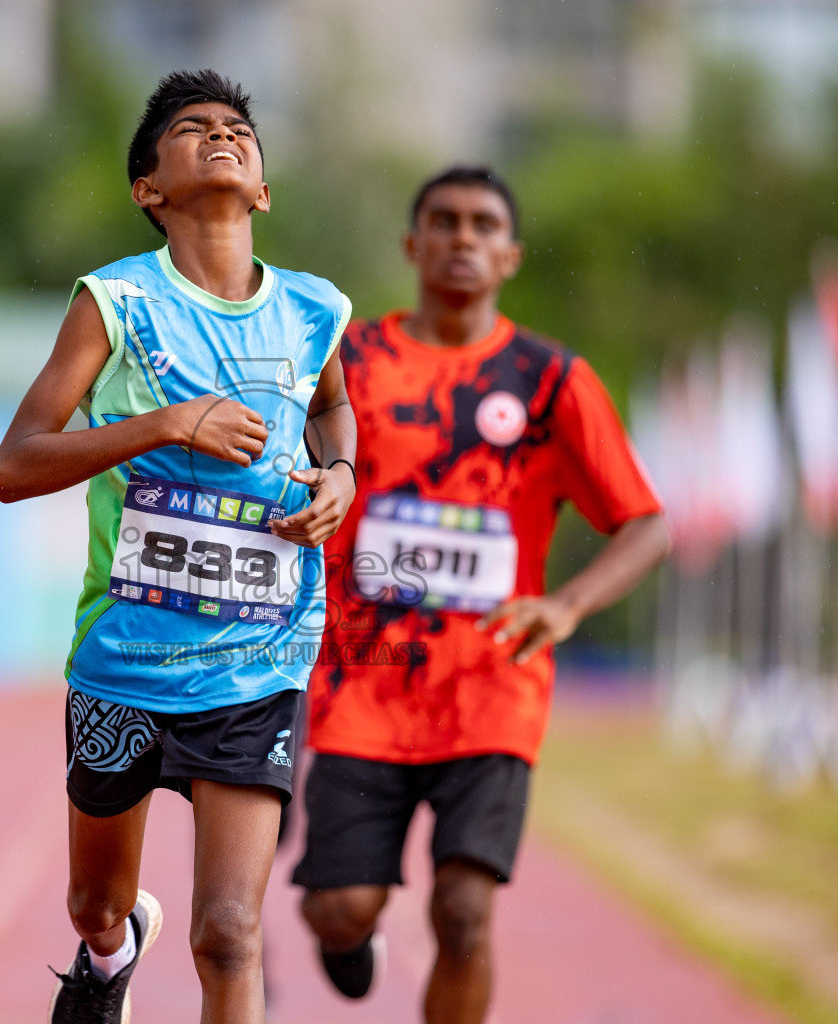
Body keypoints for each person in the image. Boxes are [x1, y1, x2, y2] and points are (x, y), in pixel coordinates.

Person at [0, 69, 357, 1024]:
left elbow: (333, 407)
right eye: (191, 130)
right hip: (127, 660)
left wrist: (342, 476)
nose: (221, 137)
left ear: (264, 188)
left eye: (237, 128)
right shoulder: (115, 304)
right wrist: (166, 424)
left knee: (230, 932)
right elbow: (16, 463)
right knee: (94, 902)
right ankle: (108, 957)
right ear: (148, 189)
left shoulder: (316, 310)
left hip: (258, 658)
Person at [292, 166, 670, 1024]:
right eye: (445, 222)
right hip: (361, 682)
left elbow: (646, 524)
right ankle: (349, 934)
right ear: (412, 245)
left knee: (465, 911)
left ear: (511, 255)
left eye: (484, 225)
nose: (464, 238)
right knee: (336, 908)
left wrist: (566, 606)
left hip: (492, 689)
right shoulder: (349, 361)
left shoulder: (550, 381)